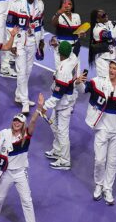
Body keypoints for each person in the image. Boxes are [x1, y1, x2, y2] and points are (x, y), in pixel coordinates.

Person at [76, 59, 116, 204]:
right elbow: (82, 90)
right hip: (102, 128)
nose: (111, 70)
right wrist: (78, 82)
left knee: (112, 162)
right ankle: (98, 184)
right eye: (110, 67)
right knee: (99, 160)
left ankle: (107, 188)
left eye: (114, 68)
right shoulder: (98, 81)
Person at [0, 93, 44, 222]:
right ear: (12, 122)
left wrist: (39, 108)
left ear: (24, 125)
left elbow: (33, 121)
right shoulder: (3, 134)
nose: (17, 123)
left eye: (20, 122)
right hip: (5, 173)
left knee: (27, 200)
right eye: (15, 121)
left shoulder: (26, 137)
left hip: (20, 173)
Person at [41, 41, 80, 170]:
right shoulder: (73, 57)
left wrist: (45, 106)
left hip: (63, 104)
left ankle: (65, 160)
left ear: (60, 54)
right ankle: (58, 150)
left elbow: (58, 94)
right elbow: (73, 48)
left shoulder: (63, 71)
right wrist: (57, 46)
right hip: (67, 99)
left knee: (62, 132)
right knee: (53, 125)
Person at [6, 0, 44, 114]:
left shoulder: (40, 4)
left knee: (27, 71)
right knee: (21, 71)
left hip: (33, 41)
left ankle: (19, 95)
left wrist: (41, 39)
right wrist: (11, 42)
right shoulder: (16, 4)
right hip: (19, 41)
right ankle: (25, 101)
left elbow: (40, 24)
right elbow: (9, 24)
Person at [88, 7, 116, 77]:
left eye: (106, 14)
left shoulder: (109, 23)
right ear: (98, 19)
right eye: (103, 15)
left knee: (115, 83)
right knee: (104, 84)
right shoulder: (98, 30)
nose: (106, 16)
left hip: (114, 59)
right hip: (103, 62)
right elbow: (113, 35)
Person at [50, 0, 82, 69]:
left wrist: (81, 33)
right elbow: (53, 24)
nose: (67, 6)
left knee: (75, 74)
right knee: (61, 73)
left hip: (74, 50)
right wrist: (59, 12)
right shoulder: (58, 16)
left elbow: (79, 31)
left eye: (69, 4)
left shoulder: (77, 16)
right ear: (61, 5)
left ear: (72, 6)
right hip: (62, 50)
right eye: (64, 4)